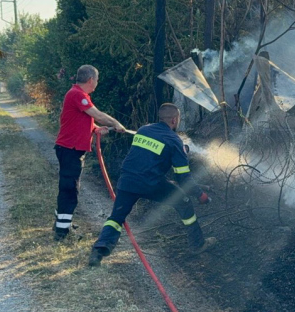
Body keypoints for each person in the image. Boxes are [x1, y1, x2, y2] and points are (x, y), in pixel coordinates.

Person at [88, 103, 216, 266]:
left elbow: (149, 157)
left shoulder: (144, 130)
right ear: (174, 120)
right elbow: (183, 178)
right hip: (150, 184)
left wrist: (178, 151)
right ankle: (198, 244)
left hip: (128, 180)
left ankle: (98, 251)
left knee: (116, 217)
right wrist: (200, 194)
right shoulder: (174, 141)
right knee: (183, 202)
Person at [54, 65, 126, 240]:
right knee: (70, 189)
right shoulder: (78, 94)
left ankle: (63, 223)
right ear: (91, 80)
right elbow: (96, 114)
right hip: (70, 149)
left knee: (69, 187)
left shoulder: (79, 95)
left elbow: (81, 119)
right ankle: (62, 232)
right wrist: (116, 123)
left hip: (71, 149)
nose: (97, 83)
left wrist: (95, 129)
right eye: (97, 79)